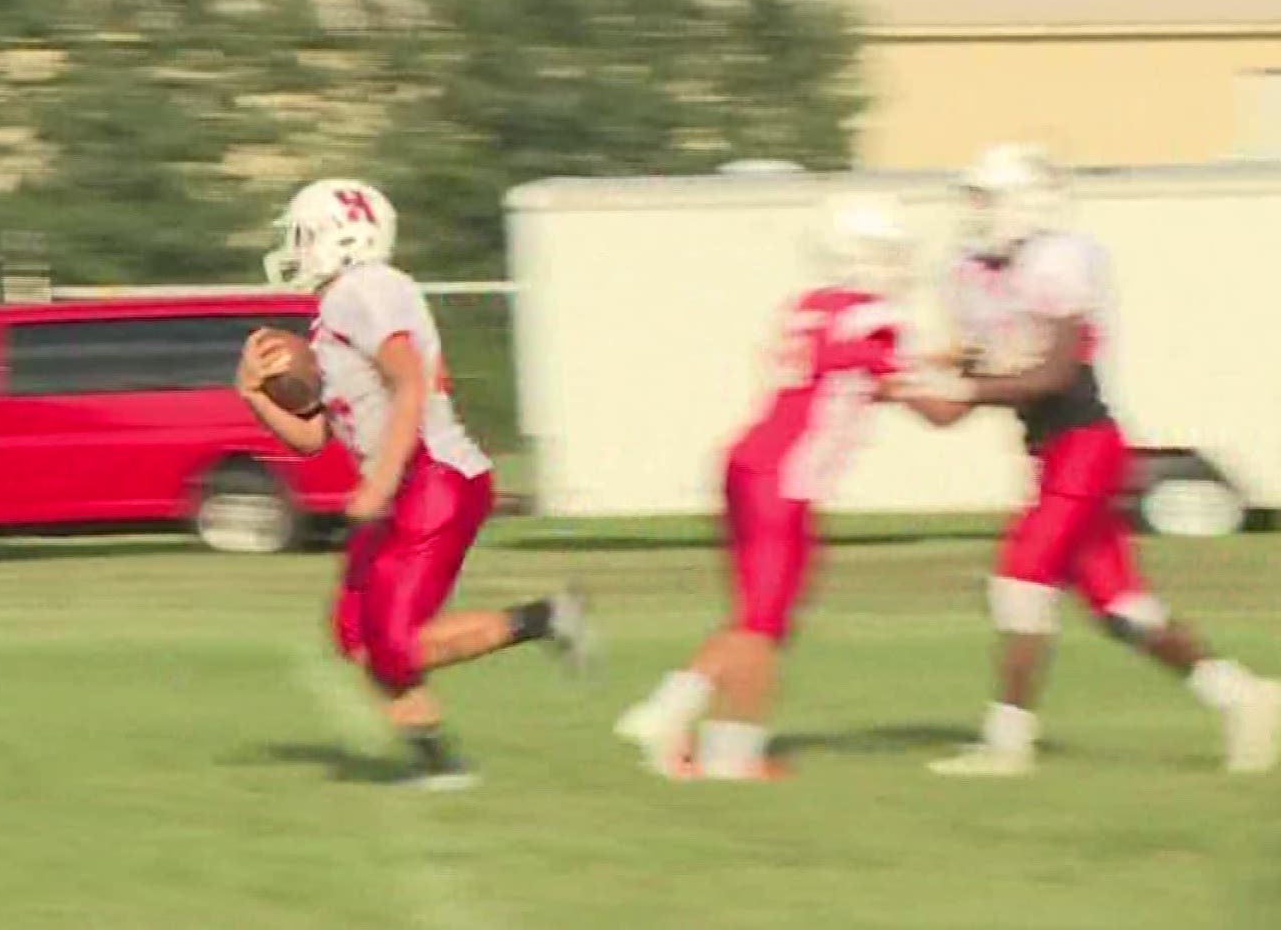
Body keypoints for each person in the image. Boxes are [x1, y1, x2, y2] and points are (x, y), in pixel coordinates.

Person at [894, 143, 1281, 776]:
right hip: (1055, 451)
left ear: (1021, 203)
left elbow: (1050, 374)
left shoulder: (1058, 262)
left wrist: (962, 387)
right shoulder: (975, 272)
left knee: (1019, 586)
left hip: (1085, 445)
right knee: (1123, 609)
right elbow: (967, 386)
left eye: (984, 198)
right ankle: (1242, 695)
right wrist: (900, 385)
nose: (973, 212)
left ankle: (1007, 745)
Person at [236, 178, 591, 791]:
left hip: (435, 475)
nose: (293, 248)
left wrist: (376, 481)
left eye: (302, 234)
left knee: (394, 642)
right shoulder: (335, 313)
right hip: (409, 481)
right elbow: (312, 436)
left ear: (338, 236)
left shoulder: (366, 288)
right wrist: (251, 393)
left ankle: (546, 619)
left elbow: (409, 385)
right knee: (355, 632)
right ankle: (435, 761)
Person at [615, 195, 917, 780]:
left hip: (751, 463)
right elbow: (913, 389)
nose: (899, 265)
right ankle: (687, 722)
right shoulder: (870, 318)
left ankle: (718, 739)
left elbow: (849, 377)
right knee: (761, 621)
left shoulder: (810, 305)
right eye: (890, 252)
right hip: (785, 478)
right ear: (864, 254)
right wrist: (982, 372)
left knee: (764, 617)